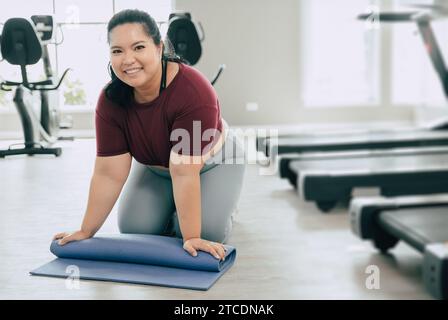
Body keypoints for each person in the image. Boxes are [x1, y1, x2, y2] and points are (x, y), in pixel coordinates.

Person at [53, 9, 245, 261]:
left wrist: (191, 236)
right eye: (117, 51)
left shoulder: (194, 92)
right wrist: (86, 230)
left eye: (138, 47)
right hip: (157, 169)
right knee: (136, 229)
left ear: (159, 47)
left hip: (213, 164)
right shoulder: (111, 100)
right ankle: (175, 207)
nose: (128, 59)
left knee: (206, 232)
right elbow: (109, 173)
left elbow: (184, 171)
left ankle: (221, 206)